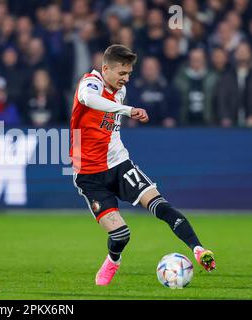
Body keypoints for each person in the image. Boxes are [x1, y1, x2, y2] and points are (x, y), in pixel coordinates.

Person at [70, 44, 216, 286]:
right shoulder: (90, 83)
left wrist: (124, 107)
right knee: (120, 235)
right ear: (105, 68)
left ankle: (199, 249)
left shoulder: (120, 91)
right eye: (122, 74)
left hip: (119, 164)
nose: (126, 79)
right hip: (88, 174)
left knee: (160, 204)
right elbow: (89, 99)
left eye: (129, 74)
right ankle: (113, 261)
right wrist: (128, 110)